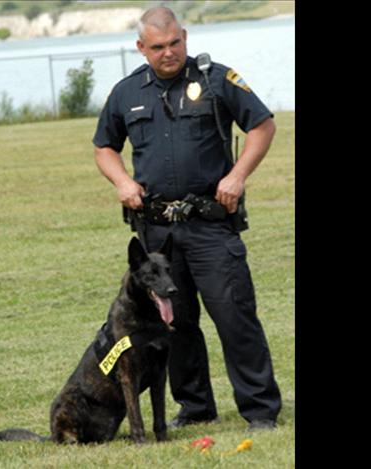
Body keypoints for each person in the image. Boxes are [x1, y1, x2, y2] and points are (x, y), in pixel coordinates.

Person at [92, 6, 282, 431]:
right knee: (172, 322)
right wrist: (122, 182)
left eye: (175, 42)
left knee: (234, 315)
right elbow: (104, 146)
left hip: (211, 222)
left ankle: (260, 409)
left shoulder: (217, 80)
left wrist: (237, 175)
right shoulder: (126, 93)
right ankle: (195, 406)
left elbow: (263, 125)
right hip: (157, 231)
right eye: (158, 46)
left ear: (186, 36)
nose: (169, 53)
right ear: (141, 48)